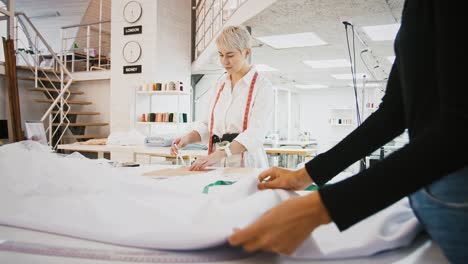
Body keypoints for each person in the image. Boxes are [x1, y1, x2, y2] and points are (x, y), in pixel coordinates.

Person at [228, 1, 468, 263]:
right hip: (424, 186)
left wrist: (321, 207)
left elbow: (459, 131)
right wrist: (305, 175)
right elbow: (392, 114)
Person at [171, 26, 274, 170]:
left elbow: (255, 134)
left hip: (246, 165)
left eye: (230, 55)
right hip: (217, 165)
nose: (224, 61)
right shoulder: (220, 85)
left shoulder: (262, 87)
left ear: (246, 52)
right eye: (220, 55)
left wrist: (218, 155)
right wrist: (187, 139)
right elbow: (208, 124)